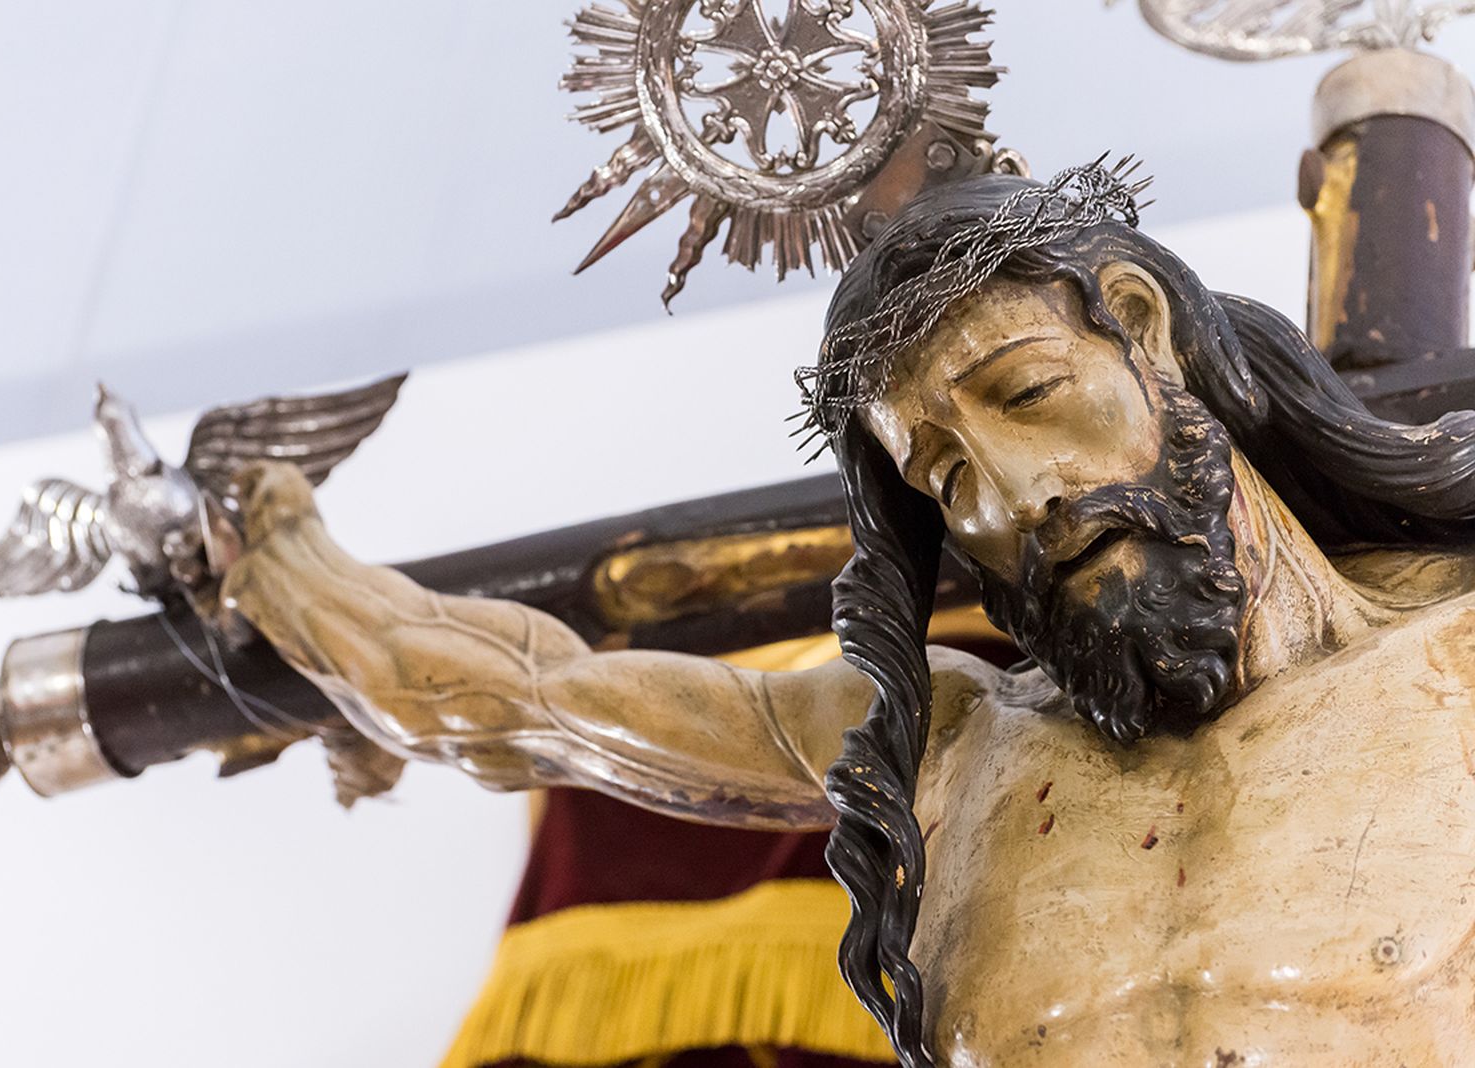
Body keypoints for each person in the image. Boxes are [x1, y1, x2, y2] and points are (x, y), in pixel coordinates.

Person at [219, 163, 1475, 1067]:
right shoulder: (946, 750)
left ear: (1142, 331)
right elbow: (524, 696)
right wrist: (270, 547)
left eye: (1029, 392)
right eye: (945, 478)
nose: (1016, 495)